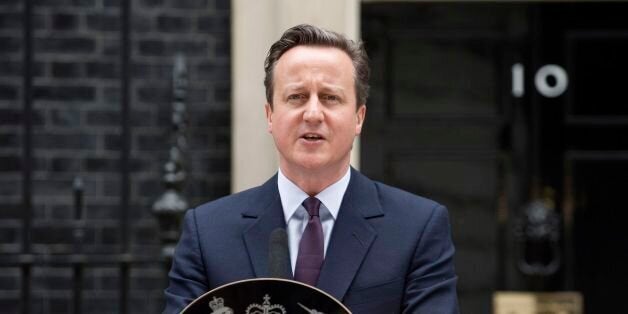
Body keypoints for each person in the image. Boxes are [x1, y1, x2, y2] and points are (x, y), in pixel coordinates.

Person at [164, 24, 459, 313]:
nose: (313, 113)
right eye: (297, 97)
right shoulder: (207, 232)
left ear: (359, 117)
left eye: (330, 98)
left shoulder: (417, 228)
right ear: (270, 115)